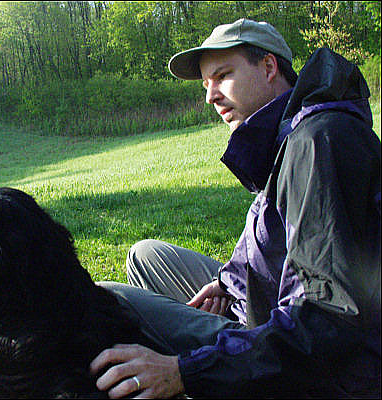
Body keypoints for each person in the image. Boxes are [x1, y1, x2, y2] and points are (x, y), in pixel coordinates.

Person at [90, 18, 381, 398]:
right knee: (147, 255)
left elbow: (329, 321)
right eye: (207, 84)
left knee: (110, 298)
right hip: (268, 305)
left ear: (268, 67)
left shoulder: (317, 142)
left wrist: (186, 371)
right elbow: (271, 239)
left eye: (223, 76)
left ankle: (169, 377)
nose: (210, 96)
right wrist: (229, 281)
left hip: (306, 361)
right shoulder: (287, 133)